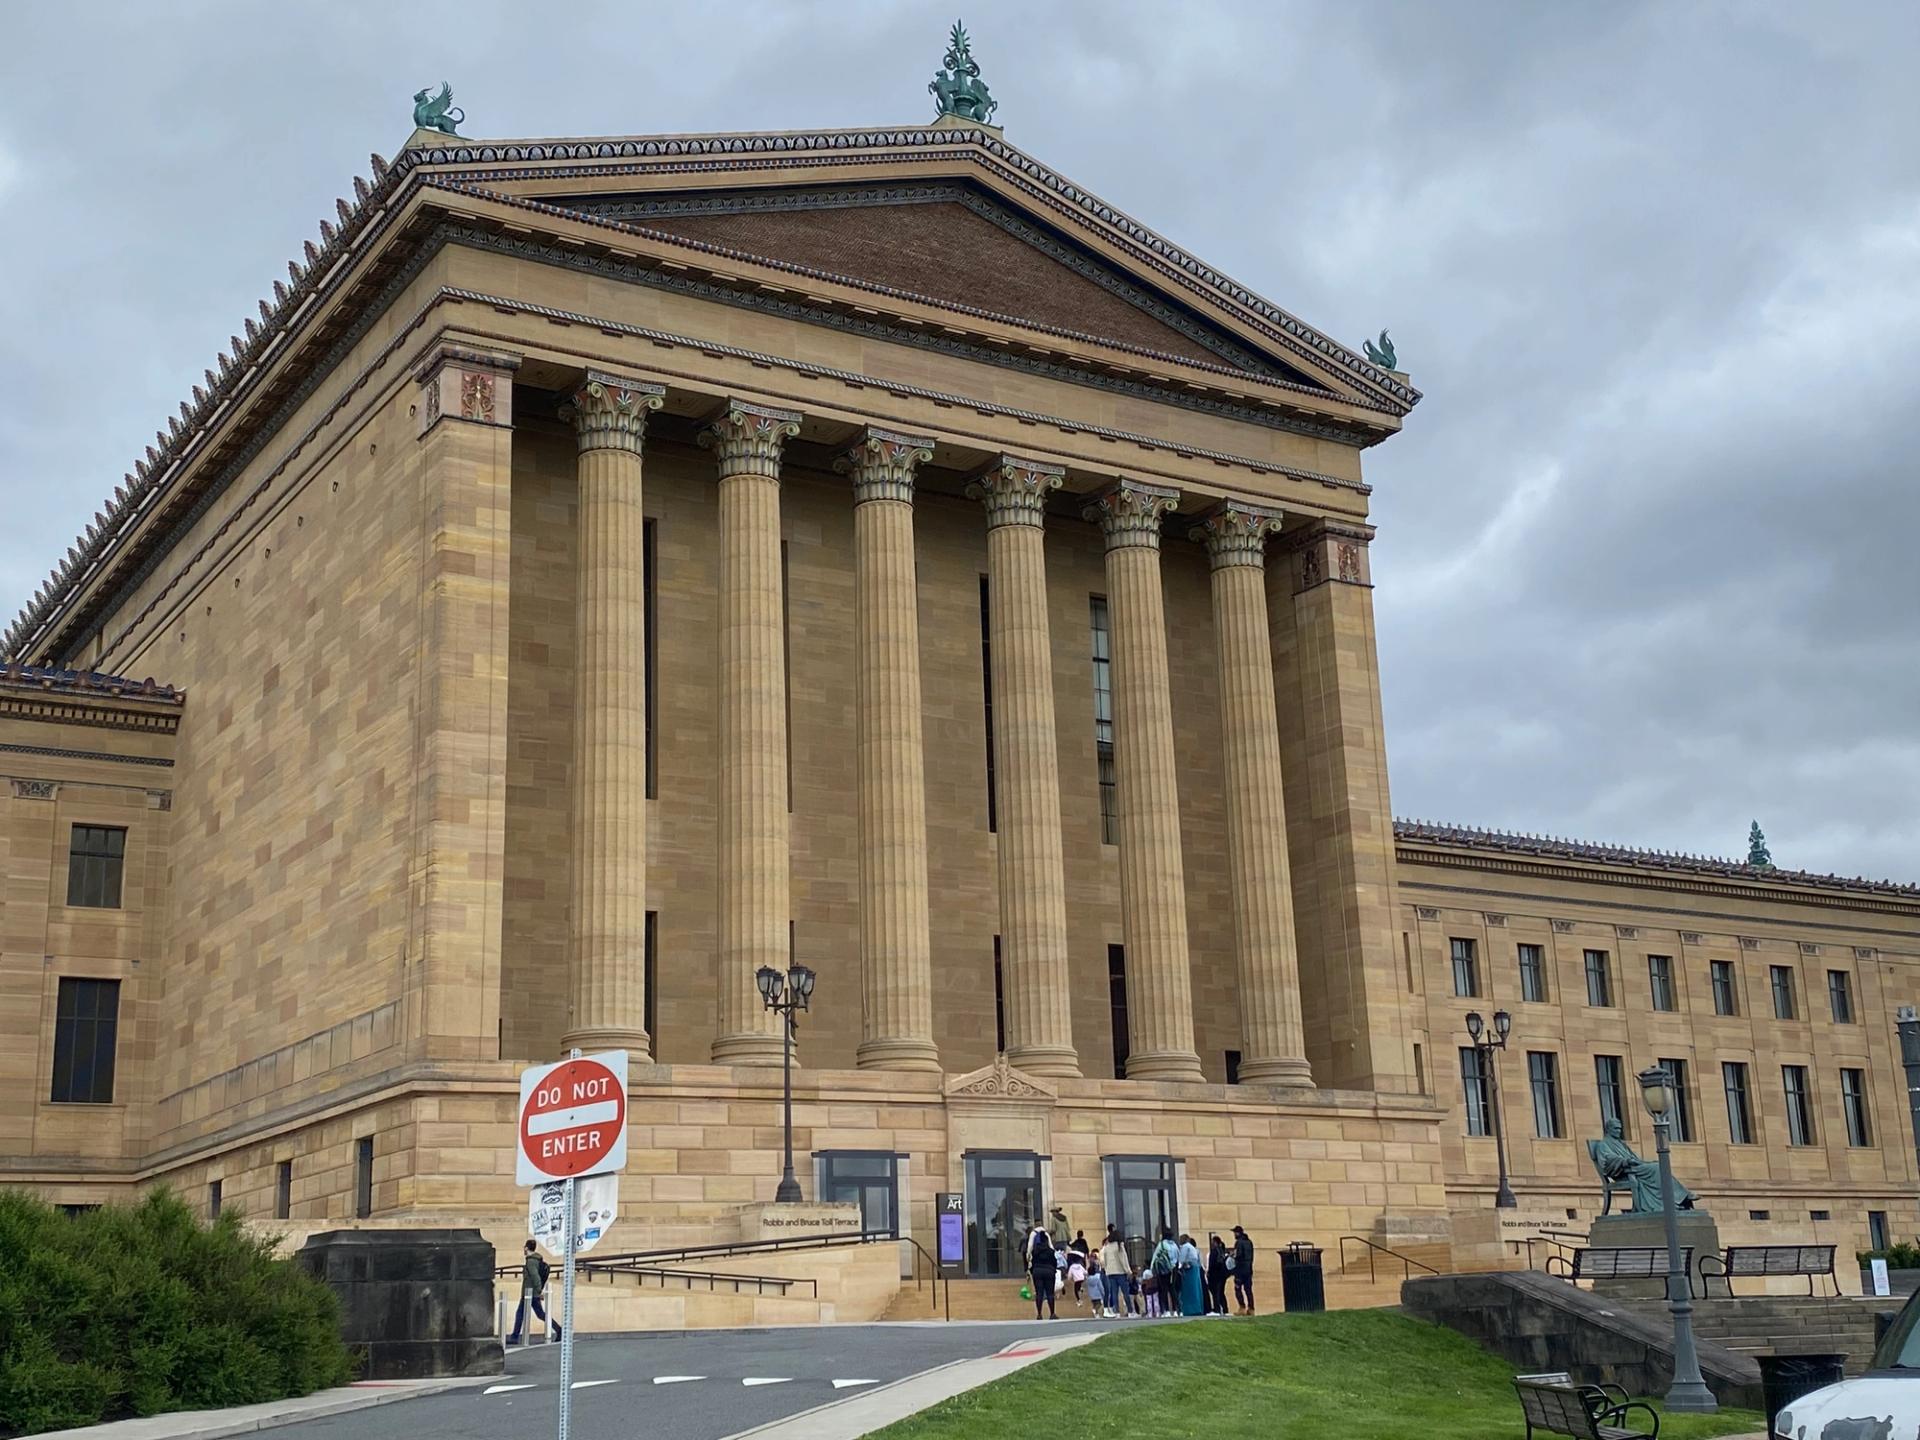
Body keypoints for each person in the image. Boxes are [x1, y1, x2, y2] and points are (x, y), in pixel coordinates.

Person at [506, 1239, 561, 1345]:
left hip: (529, 1293)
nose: (523, 1250)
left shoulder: (531, 1261)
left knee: (521, 1314)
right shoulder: (535, 1260)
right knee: (538, 1314)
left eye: (524, 1247)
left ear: (526, 1248)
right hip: (531, 1292)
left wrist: (539, 1290)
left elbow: (535, 1276)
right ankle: (558, 1329)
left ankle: (514, 1337)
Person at [1099, 1225, 1137, 1318]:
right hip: (1120, 1272)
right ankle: (1130, 1311)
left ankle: (1116, 1312)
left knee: (1114, 1293)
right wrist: (1128, 1271)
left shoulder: (1107, 1247)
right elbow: (1123, 1259)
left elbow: (1105, 1261)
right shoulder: (1120, 1246)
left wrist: (1107, 1270)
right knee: (1125, 1293)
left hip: (1111, 1273)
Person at [1025, 1221, 1059, 1320]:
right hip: (1049, 1271)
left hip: (1038, 1271)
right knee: (1050, 1293)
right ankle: (1052, 1313)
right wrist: (1054, 1270)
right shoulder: (1050, 1251)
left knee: (1039, 1293)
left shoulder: (1035, 1251)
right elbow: (1054, 1262)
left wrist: (1031, 1270)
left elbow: (1031, 1259)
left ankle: (1039, 1314)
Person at [1148, 1227, 1180, 1318]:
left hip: (1163, 1271)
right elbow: (1178, 1257)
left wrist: (1152, 1270)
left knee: (1164, 1290)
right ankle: (1176, 1310)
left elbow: (1155, 1258)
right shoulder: (1174, 1245)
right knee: (1173, 1289)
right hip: (1173, 1270)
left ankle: (1165, 1310)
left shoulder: (1161, 1245)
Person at [1177, 1232, 1205, 1317]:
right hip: (1195, 1269)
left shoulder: (1185, 1247)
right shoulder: (1193, 1248)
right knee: (1196, 1289)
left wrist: (1179, 1268)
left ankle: (1189, 1309)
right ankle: (1198, 1308)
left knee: (1188, 1290)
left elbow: (1181, 1260)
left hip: (1188, 1270)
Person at [1231, 1224, 1256, 1315]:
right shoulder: (1249, 1242)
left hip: (1240, 1269)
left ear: (1237, 1233)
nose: (1234, 1235)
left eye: (1234, 1233)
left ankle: (1242, 1307)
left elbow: (1238, 1255)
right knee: (1248, 1289)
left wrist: (1233, 1256)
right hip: (1249, 1268)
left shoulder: (1239, 1242)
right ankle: (1251, 1308)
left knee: (1237, 1288)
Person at [1206, 1233, 1230, 1315]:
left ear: (1215, 1242)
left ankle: (1217, 1309)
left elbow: (1211, 1263)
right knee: (1220, 1292)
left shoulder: (1214, 1251)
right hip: (1221, 1275)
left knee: (1215, 1292)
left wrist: (1209, 1272)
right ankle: (1225, 1309)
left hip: (1214, 1275)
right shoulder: (1222, 1250)